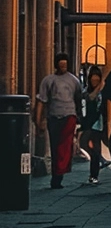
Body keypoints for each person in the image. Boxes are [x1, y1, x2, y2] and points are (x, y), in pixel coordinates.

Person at [35, 53, 83, 190]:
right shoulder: (48, 80)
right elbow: (41, 101)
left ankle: (59, 174)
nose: (63, 67)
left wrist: (79, 116)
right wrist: (38, 121)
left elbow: (78, 99)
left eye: (65, 65)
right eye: (61, 65)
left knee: (64, 146)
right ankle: (56, 174)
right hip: (53, 116)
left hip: (69, 115)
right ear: (56, 65)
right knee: (55, 146)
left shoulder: (74, 81)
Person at [80, 67, 106, 184]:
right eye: (93, 79)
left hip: (100, 123)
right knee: (87, 145)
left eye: (97, 79)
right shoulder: (86, 92)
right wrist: (99, 87)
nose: (95, 81)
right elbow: (89, 99)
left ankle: (94, 174)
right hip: (90, 123)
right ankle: (97, 166)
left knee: (96, 148)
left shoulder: (104, 92)